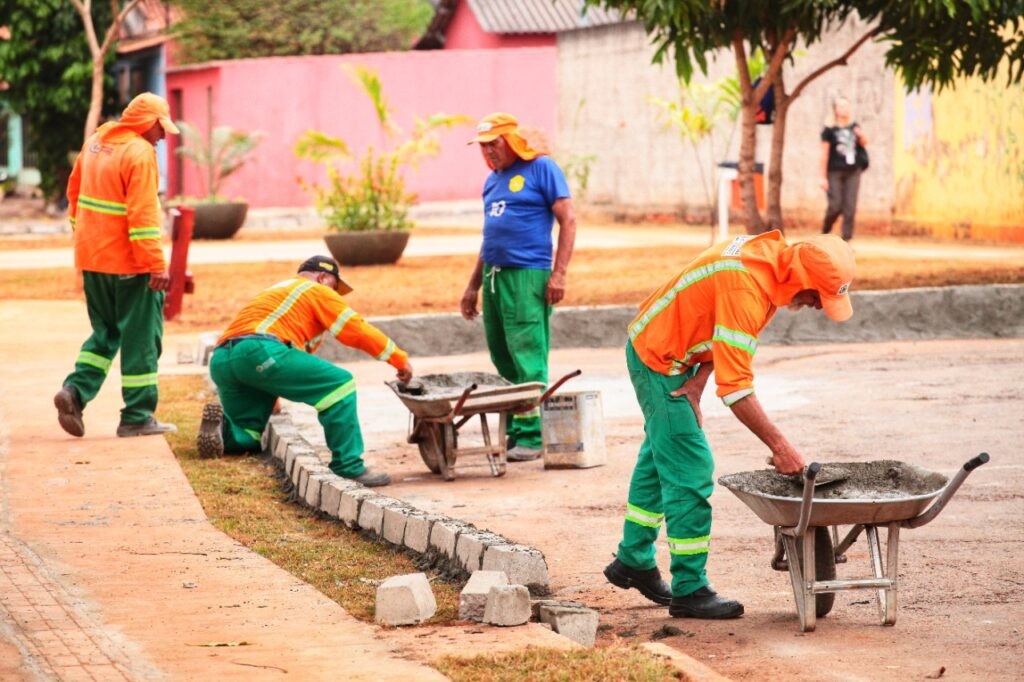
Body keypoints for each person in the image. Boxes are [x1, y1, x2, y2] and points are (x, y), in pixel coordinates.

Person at [604, 231, 855, 620]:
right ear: (802, 280)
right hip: (660, 359)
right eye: (818, 297)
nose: (819, 307)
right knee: (691, 468)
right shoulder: (747, 289)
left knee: (660, 458)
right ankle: (690, 589)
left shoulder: (771, 266)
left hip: (674, 351)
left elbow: (721, 334)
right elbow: (736, 389)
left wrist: (699, 380)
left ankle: (633, 559)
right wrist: (780, 447)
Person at [197, 256, 411, 487]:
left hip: (223, 359)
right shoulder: (316, 290)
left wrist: (272, 392)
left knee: (248, 430)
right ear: (323, 277)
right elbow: (356, 329)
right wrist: (399, 359)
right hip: (261, 351)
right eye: (335, 287)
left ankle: (223, 431)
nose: (336, 295)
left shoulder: (276, 292)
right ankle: (348, 466)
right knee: (340, 384)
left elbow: (287, 356)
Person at [54, 92, 179, 439]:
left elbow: (74, 194)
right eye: (160, 127)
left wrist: (84, 238)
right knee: (142, 339)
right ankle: (137, 416)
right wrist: (155, 264)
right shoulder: (139, 153)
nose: (163, 135)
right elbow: (143, 215)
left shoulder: (96, 143)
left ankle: (75, 392)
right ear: (147, 123)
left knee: (106, 333)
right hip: (130, 264)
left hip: (93, 260)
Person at [460, 112, 577, 462]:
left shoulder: (542, 168)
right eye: (482, 146)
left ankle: (532, 434)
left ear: (511, 140)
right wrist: (472, 286)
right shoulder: (491, 181)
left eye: (493, 144)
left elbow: (569, 220)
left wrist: (559, 274)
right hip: (493, 276)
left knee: (527, 353)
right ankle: (514, 426)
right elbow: (489, 238)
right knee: (502, 354)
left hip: (527, 275)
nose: (488, 151)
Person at [819, 96, 868, 241]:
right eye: (841, 106)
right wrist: (822, 177)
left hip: (853, 171)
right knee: (835, 205)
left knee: (850, 207)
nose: (844, 109)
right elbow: (824, 153)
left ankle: (846, 239)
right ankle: (825, 230)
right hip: (834, 171)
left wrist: (861, 135)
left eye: (846, 106)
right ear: (835, 110)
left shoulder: (854, 126)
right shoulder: (829, 129)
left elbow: (864, 143)